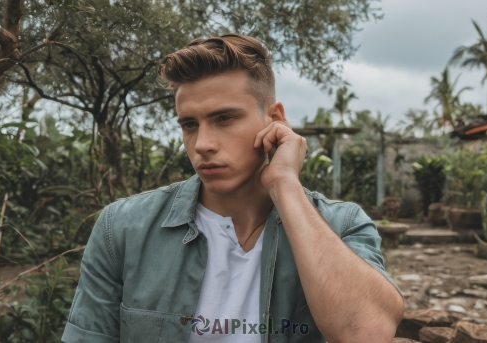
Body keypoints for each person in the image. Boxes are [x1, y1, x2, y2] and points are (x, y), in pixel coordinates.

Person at [62, 34, 404, 343]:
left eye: (224, 118)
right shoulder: (122, 229)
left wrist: (285, 186)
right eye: (190, 125)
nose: (202, 144)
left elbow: (367, 333)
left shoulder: (341, 225)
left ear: (275, 120)